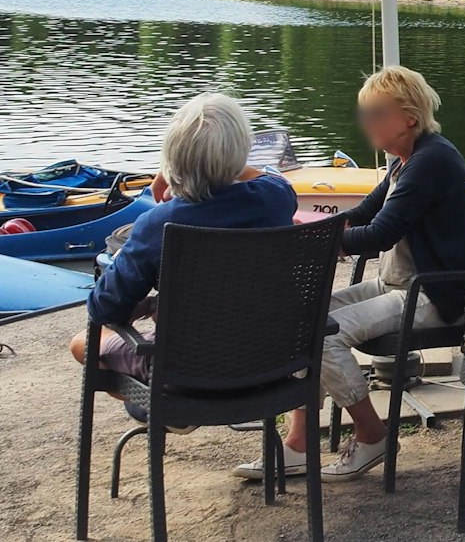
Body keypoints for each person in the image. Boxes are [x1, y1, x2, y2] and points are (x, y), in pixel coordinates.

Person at [238, 65, 465, 482]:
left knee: (324, 332)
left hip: (440, 294)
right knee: (300, 318)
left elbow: (380, 234)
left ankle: (373, 434)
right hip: (405, 283)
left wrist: (316, 243)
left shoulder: (432, 160)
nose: (366, 121)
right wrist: (313, 230)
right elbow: (361, 215)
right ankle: (300, 444)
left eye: (376, 112)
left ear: (409, 116)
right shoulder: (405, 159)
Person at [71, 94, 298, 401]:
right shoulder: (274, 199)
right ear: (241, 151)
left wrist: (171, 171)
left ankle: (169, 411)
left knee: (82, 343)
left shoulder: (157, 224)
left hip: (185, 377)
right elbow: (270, 178)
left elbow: (104, 308)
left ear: (172, 155)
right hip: (271, 365)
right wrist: (226, 165)